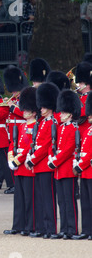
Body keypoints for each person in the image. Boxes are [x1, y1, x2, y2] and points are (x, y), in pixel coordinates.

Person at [25, 82, 60, 238]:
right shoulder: (41, 122)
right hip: (38, 166)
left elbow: (46, 145)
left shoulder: (52, 123)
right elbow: (36, 143)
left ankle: (50, 228)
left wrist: (33, 159)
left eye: (44, 107)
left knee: (48, 199)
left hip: (44, 165)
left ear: (50, 106)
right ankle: (42, 227)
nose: (41, 109)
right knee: (40, 198)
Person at [4, 86, 38, 236]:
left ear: (33, 111)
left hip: (27, 167)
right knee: (19, 199)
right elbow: (14, 144)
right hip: (18, 167)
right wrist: (10, 157)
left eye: (26, 110)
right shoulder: (22, 126)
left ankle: (30, 226)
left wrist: (17, 160)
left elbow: (29, 146)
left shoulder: (35, 126)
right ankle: (18, 225)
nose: (23, 112)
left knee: (29, 199)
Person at [48, 90, 81, 239]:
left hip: (67, 169)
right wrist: (51, 157)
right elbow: (53, 144)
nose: (59, 114)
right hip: (58, 170)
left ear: (69, 114)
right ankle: (64, 229)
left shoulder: (74, 129)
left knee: (70, 200)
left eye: (62, 113)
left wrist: (54, 161)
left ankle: (72, 229)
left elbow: (68, 150)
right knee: (61, 201)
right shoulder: (60, 128)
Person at [72, 93, 92, 240]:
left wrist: (81, 165)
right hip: (85, 171)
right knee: (85, 203)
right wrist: (77, 161)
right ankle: (86, 229)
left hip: (88, 170)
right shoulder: (87, 131)